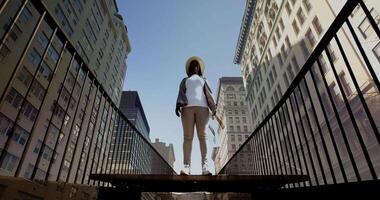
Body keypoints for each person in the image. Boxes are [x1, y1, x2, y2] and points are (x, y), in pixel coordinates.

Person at [176, 56, 216, 175]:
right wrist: (178, 105)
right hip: (187, 108)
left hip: (203, 108)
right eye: (193, 65)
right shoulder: (184, 80)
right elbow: (181, 93)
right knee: (187, 137)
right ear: (189, 68)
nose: (195, 67)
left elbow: (209, 94)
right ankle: (186, 166)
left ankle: (205, 167)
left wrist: (213, 107)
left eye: (197, 65)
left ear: (199, 68)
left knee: (203, 137)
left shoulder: (204, 79)